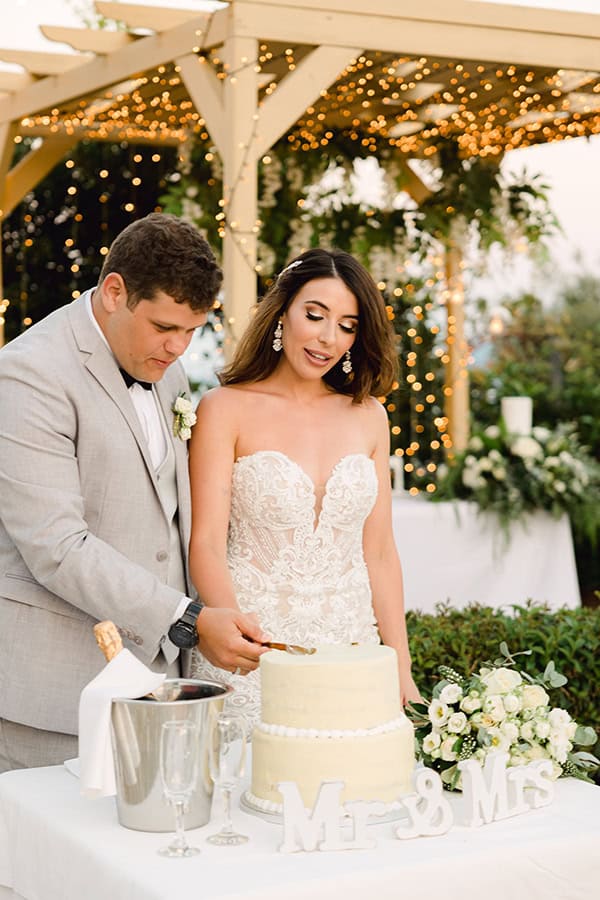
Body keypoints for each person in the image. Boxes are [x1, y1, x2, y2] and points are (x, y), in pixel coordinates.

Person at [0, 213, 266, 773]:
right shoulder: (28, 373)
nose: (178, 347)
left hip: (159, 682)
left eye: (192, 330)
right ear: (114, 291)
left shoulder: (168, 372)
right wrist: (186, 617)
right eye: (165, 326)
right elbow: (57, 545)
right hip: (56, 691)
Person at [188, 247, 420, 724]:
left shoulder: (369, 416)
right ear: (282, 313)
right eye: (315, 315)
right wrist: (236, 636)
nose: (328, 338)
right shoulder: (223, 408)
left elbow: (379, 553)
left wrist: (400, 664)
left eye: (348, 325)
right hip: (254, 649)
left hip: (351, 650)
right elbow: (206, 542)